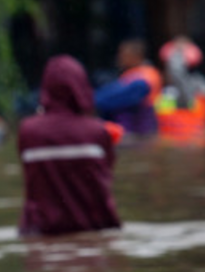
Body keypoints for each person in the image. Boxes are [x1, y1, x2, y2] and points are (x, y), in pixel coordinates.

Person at [18, 55, 122, 236]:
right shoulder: (97, 132)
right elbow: (107, 172)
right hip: (95, 232)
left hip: (41, 234)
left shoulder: (28, 131)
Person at [94, 39, 162, 135]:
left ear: (136, 56)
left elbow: (118, 97)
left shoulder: (145, 75)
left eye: (123, 54)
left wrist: (90, 101)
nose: (120, 57)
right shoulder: (132, 73)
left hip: (140, 129)